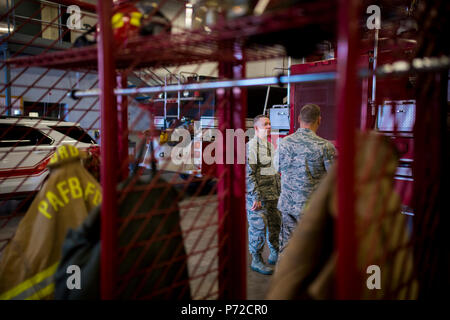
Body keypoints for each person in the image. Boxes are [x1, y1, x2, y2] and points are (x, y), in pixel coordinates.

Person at [275, 104, 336, 252]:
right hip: (312, 208)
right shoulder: (325, 146)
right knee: (311, 250)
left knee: (287, 248)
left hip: (288, 206)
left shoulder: (284, 143)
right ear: (319, 120)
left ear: (298, 119)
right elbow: (334, 178)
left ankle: (284, 274)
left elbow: (276, 169)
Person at [246, 115, 281, 275]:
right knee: (258, 228)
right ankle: (256, 260)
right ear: (256, 128)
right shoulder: (250, 147)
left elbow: (273, 171)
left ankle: (274, 254)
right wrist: (255, 197)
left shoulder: (269, 146)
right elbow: (248, 174)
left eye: (269, 124)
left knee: (275, 225)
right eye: (265, 124)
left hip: (272, 195)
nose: (269, 126)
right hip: (258, 198)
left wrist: (279, 191)